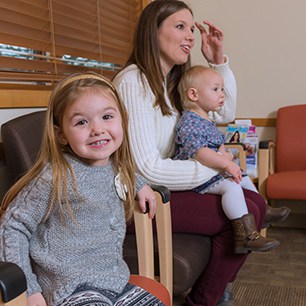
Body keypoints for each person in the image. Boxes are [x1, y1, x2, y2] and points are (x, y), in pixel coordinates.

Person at [112, 1, 291, 305]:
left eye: (191, 29)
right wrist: (219, 166)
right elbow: (148, 167)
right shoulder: (134, 82)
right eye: (179, 26)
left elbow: (222, 114)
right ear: (152, 32)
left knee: (253, 204)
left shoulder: (170, 84)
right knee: (241, 213)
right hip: (138, 197)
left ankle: (216, 292)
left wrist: (217, 61)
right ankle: (209, 299)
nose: (191, 36)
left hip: (168, 187)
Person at [0, 73, 164, 306]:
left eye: (107, 116)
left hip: (115, 281)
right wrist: (29, 289)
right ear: (61, 135)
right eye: (81, 122)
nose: (97, 129)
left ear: (122, 121)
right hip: (70, 288)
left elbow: (119, 173)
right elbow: (12, 226)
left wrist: (140, 184)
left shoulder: (114, 164)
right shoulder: (54, 176)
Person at [174, 65, 289, 253]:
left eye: (221, 89)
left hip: (211, 169)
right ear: (193, 95)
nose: (222, 94)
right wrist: (226, 162)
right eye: (215, 89)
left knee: (241, 175)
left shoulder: (206, 119)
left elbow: (216, 144)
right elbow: (200, 152)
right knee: (231, 187)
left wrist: (225, 155)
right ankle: (246, 235)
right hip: (196, 177)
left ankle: (263, 209)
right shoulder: (189, 122)